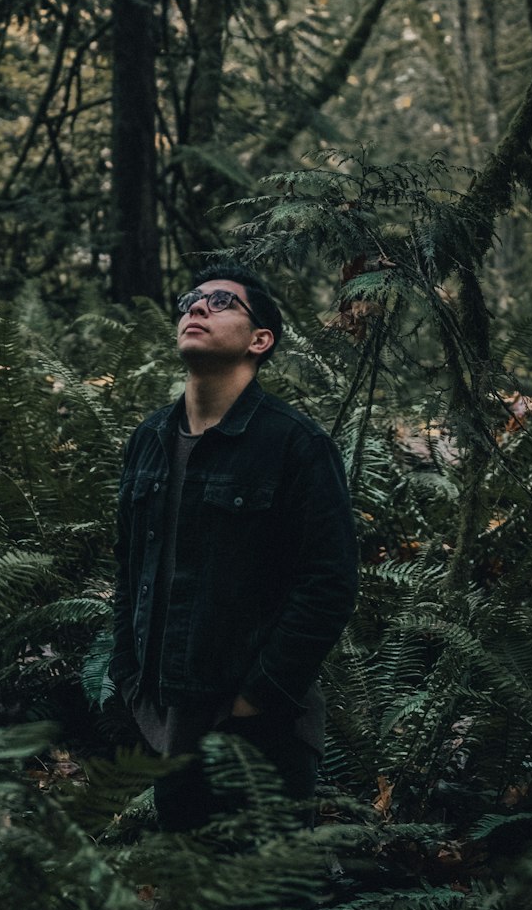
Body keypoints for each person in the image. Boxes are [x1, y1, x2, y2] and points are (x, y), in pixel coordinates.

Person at [109, 262, 358, 830]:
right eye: (191, 299)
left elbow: (330, 584)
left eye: (221, 301)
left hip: (261, 732)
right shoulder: (148, 439)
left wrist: (256, 698)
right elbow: (129, 567)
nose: (195, 307)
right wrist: (128, 677)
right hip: (163, 724)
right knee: (190, 903)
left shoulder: (295, 444)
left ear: (259, 339)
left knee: (266, 905)